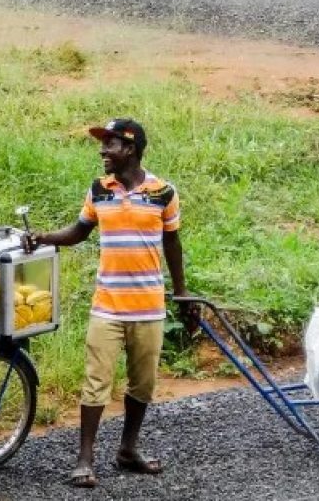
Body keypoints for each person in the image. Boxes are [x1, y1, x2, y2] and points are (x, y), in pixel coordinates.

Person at [27, 118, 198, 488]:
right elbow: (79, 231)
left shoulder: (163, 192)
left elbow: (173, 245)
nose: (103, 151)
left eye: (110, 144)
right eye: (103, 144)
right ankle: (85, 459)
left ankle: (127, 450)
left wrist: (182, 293)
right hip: (107, 305)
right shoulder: (98, 190)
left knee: (143, 384)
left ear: (131, 149)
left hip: (149, 307)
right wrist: (43, 237)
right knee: (95, 383)